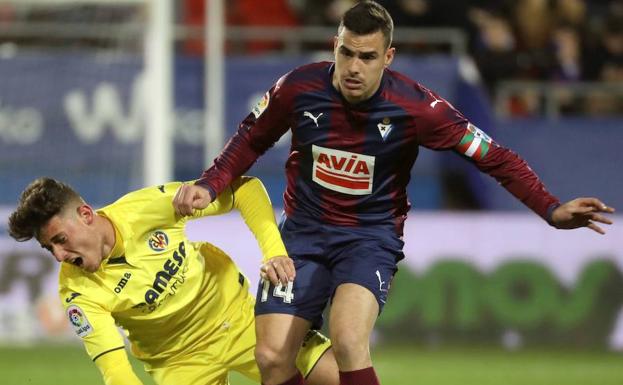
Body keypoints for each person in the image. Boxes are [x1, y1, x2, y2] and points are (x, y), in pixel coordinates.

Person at [172, 2, 616, 385]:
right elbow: (251, 138)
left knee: (348, 339)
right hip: (301, 237)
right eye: (346, 53)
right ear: (334, 45)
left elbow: (493, 156)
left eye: (367, 57)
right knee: (270, 358)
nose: (353, 67)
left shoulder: (418, 108)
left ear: (388, 56)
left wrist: (550, 208)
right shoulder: (299, 88)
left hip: (368, 240)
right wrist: (210, 184)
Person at [8, 176, 339, 385]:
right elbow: (116, 372)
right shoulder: (76, 290)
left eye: (61, 239)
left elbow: (245, 190)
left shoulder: (147, 208)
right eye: (49, 247)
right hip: (178, 363)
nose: (59, 255)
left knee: (338, 377)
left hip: (241, 321)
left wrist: (273, 252)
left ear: (85, 215)